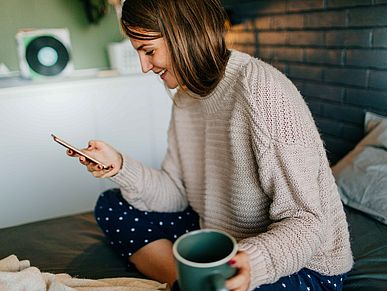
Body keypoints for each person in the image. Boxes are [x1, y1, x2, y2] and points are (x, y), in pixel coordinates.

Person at [67, 0, 353, 290]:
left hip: (301, 263)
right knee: (112, 204)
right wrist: (120, 166)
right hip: (222, 236)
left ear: (184, 34)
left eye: (148, 51)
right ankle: (191, 283)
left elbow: (308, 222)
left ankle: (197, 283)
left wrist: (253, 262)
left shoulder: (261, 89)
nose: (144, 67)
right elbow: (177, 193)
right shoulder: (185, 99)